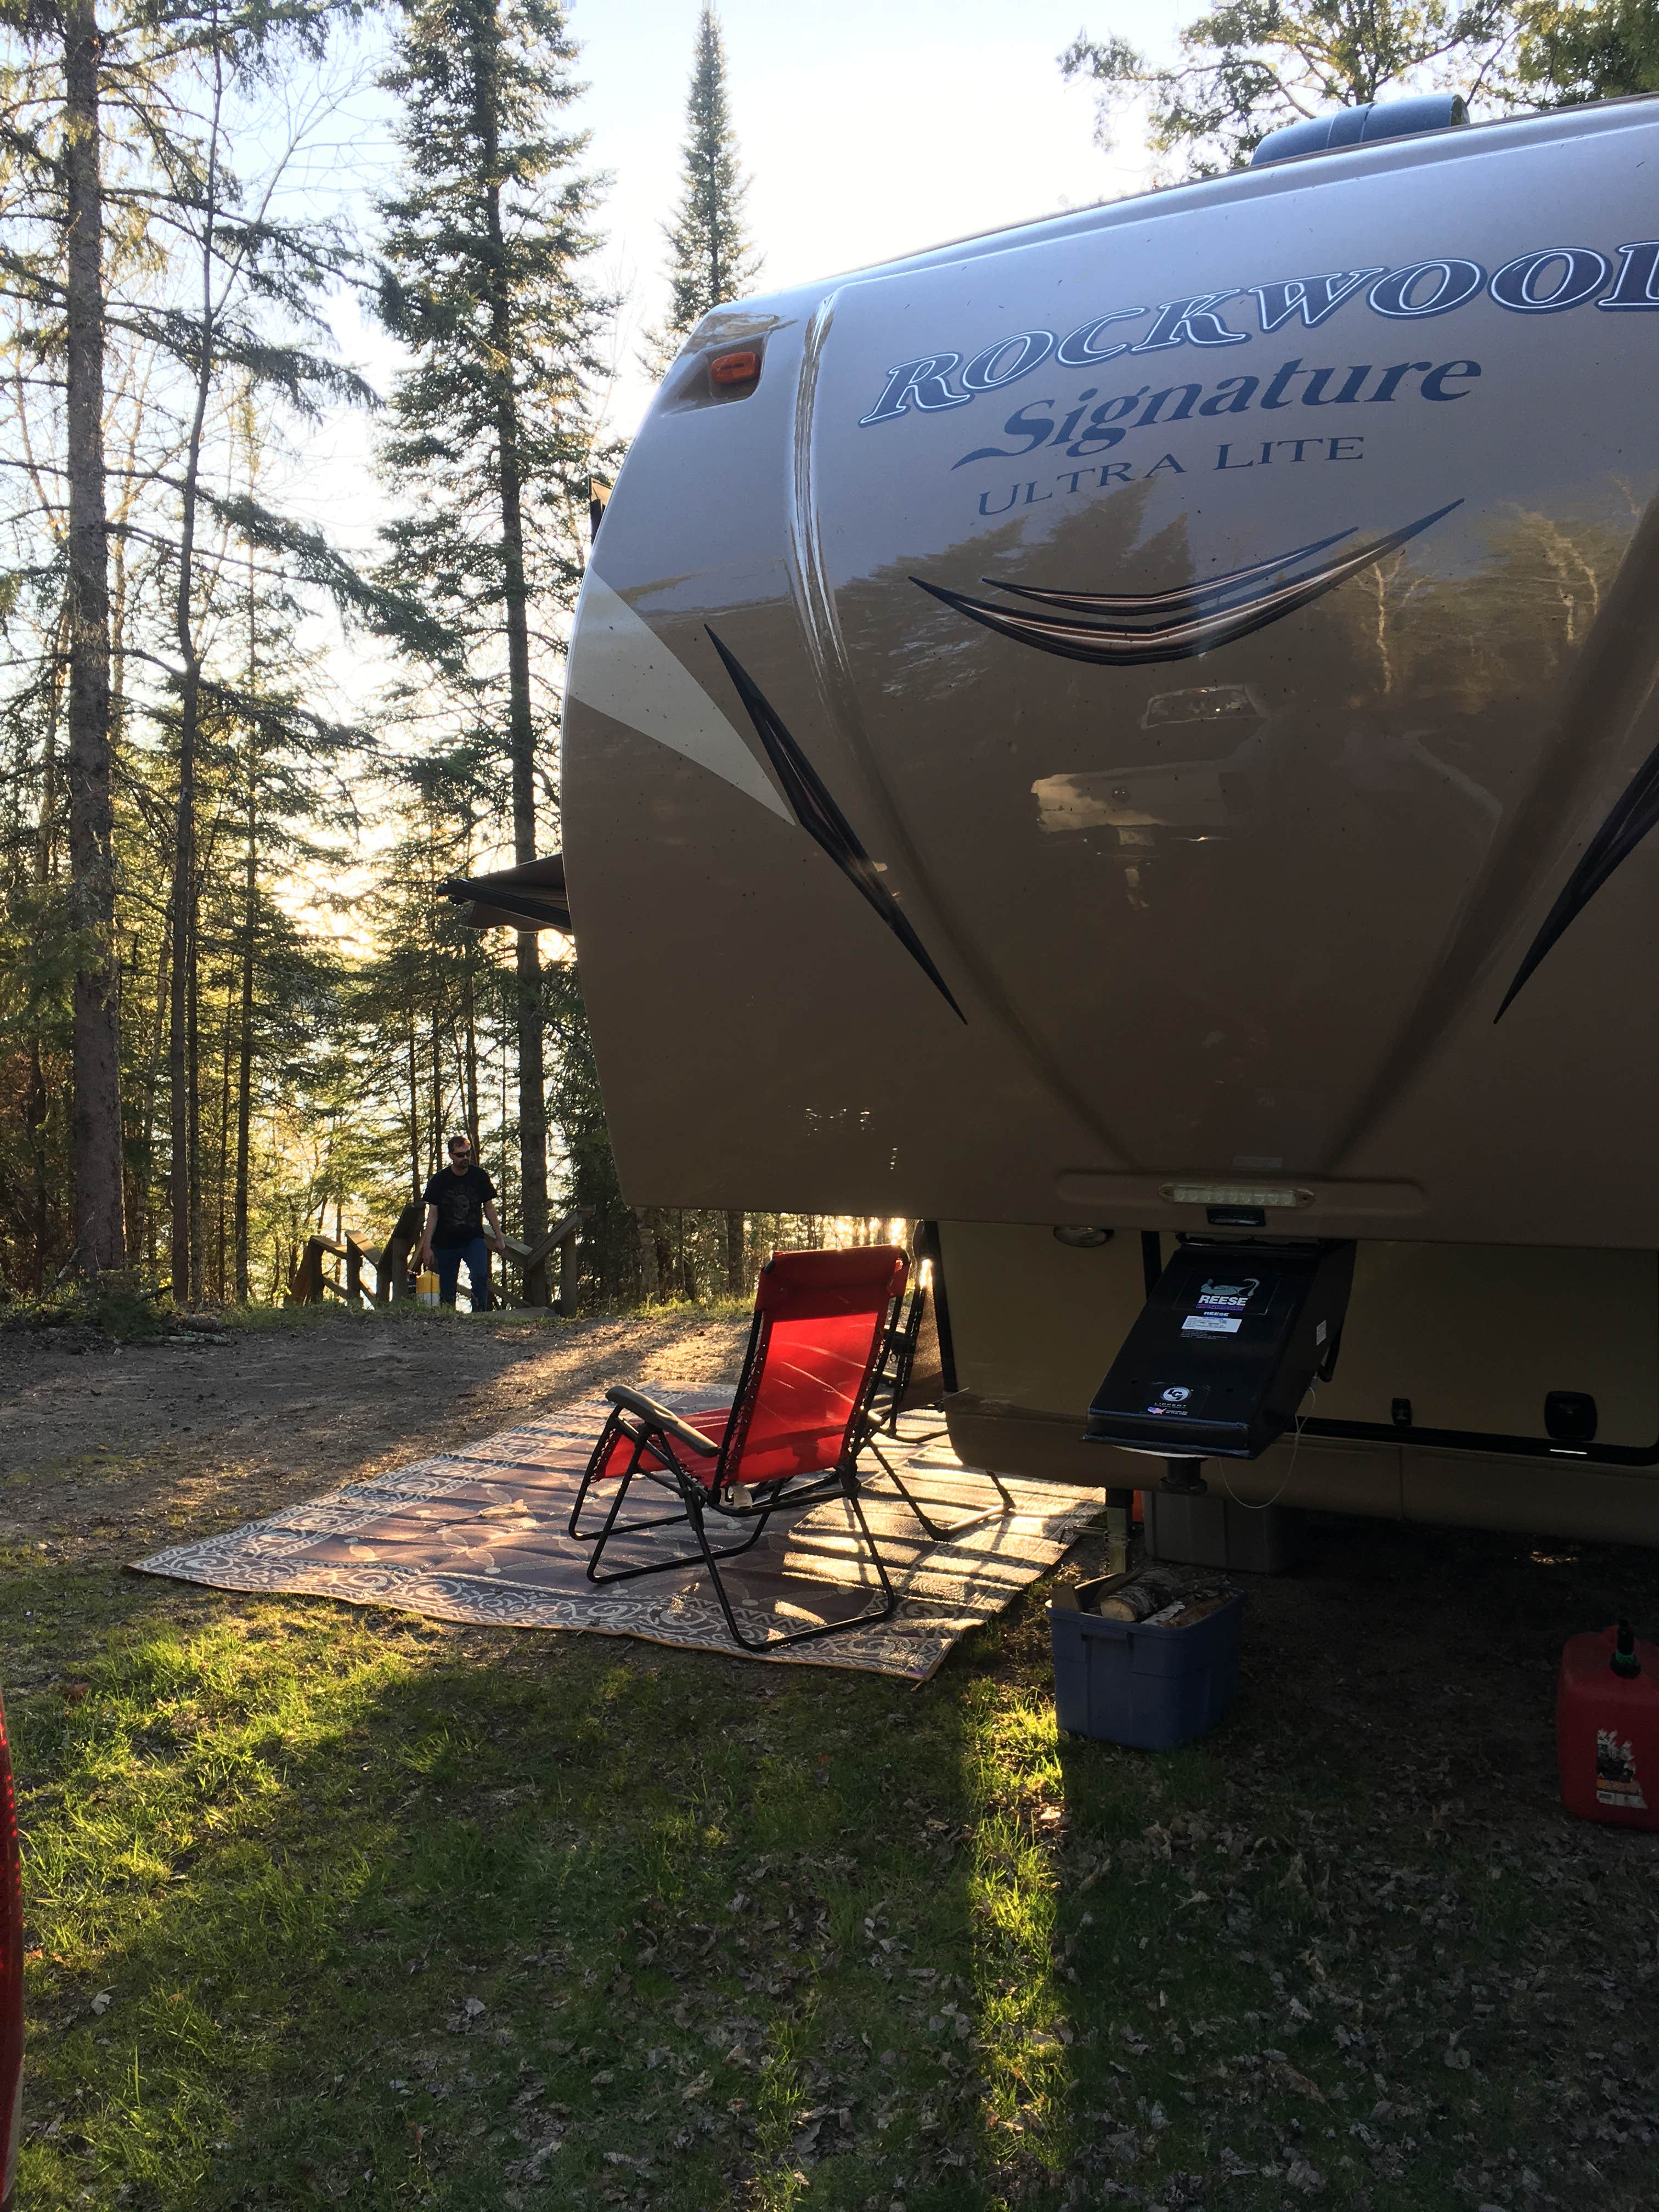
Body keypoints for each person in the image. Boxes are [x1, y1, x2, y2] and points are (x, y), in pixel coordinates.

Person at [419, 1135, 506, 1310]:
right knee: (447, 1287)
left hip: (472, 1239)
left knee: (480, 1276)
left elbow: (489, 1208)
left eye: (468, 1154)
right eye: (460, 1155)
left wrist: (499, 1237)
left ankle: (480, 1314)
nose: (465, 1158)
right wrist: (427, 1247)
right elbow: (433, 1215)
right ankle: (449, 1320)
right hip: (445, 1243)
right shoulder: (439, 1181)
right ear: (451, 1155)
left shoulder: (479, 1177)